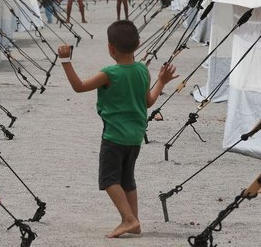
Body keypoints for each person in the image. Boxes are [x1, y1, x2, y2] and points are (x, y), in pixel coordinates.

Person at [57, 20, 177, 238]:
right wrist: (161, 81)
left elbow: (79, 87)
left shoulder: (110, 73)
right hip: (135, 137)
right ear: (138, 44)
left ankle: (128, 219)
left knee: (109, 179)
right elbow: (149, 102)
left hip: (114, 136)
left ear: (111, 48)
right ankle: (135, 220)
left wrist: (65, 60)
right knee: (127, 179)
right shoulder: (142, 70)